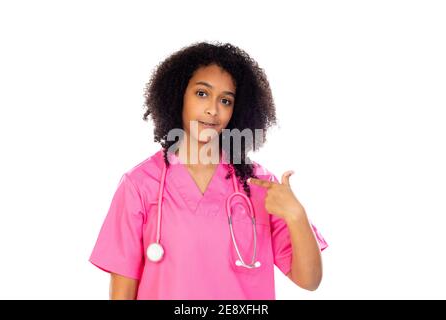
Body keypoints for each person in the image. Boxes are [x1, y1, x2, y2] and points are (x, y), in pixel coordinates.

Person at [89, 41, 328, 300]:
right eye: (202, 94)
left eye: (225, 100)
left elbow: (310, 280)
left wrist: (296, 215)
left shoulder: (260, 185)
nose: (213, 110)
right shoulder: (140, 185)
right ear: (178, 94)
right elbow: (122, 292)